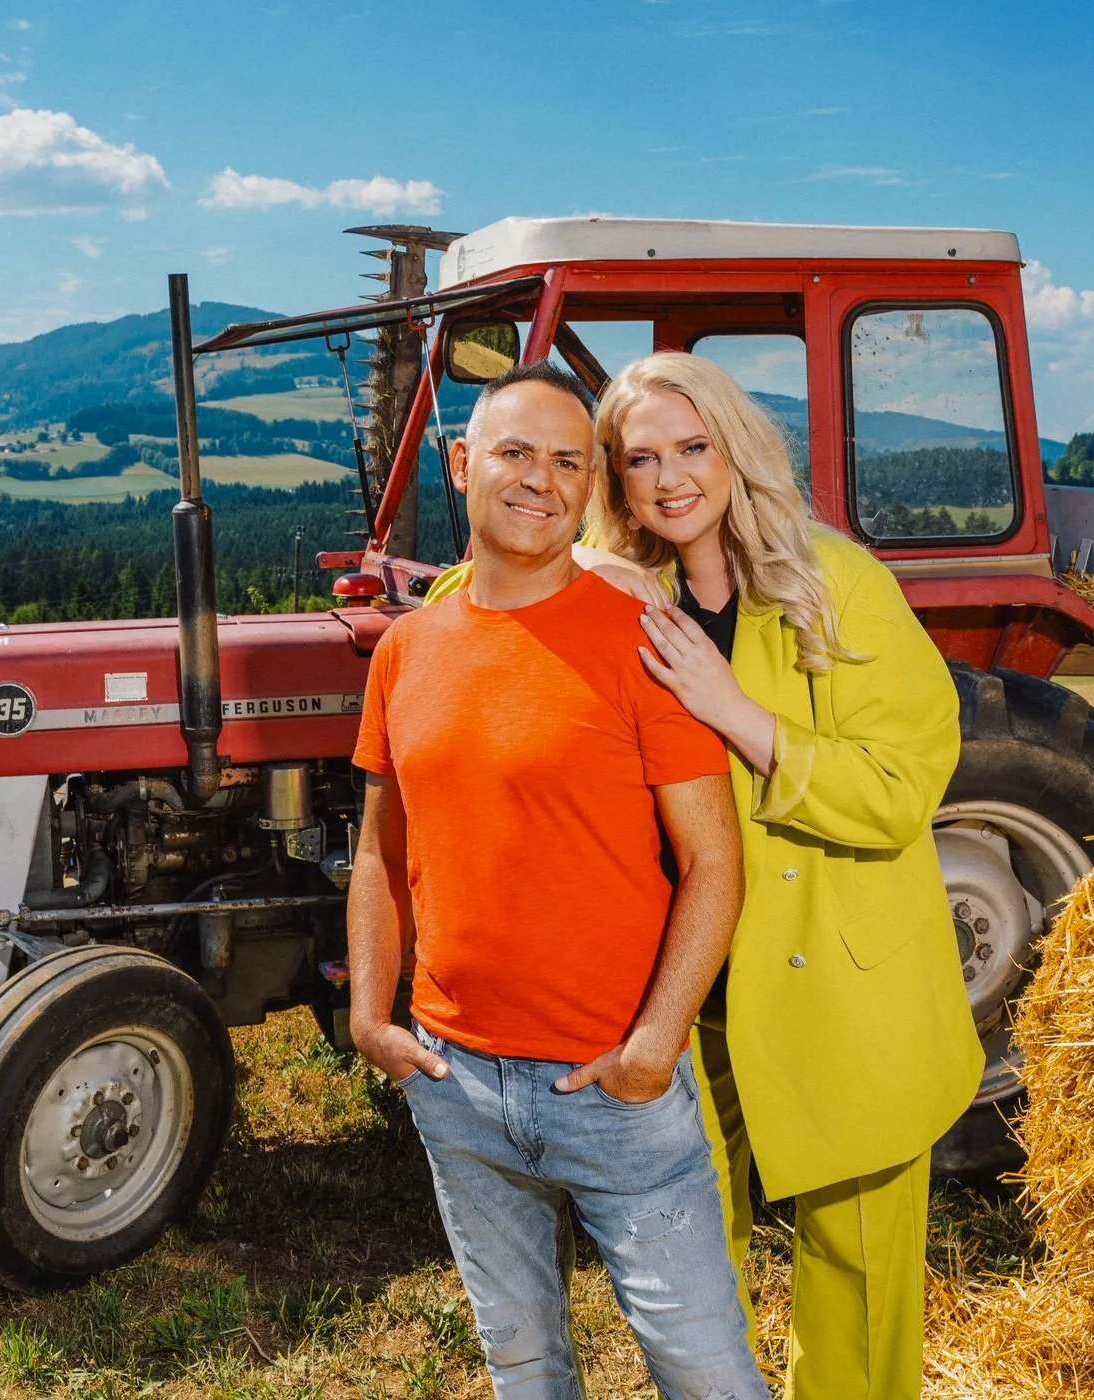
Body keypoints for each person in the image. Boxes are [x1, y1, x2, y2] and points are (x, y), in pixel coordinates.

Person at [347, 359, 771, 1400]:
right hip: (454, 1081)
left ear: (590, 488)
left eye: (568, 462)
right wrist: (368, 1018)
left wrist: (653, 1046)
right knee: (524, 1364)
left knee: (705, 1373)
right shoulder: (406, 650)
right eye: (514, 452)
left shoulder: (643, 643)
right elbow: (379, 853)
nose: (540, 478)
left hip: (614, 1087)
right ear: (462, 463)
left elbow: (714, 860)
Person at [563, 351, 982, 1400]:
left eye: (692, 447)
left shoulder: (834, 583)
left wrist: (734, 711)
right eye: (640, 459)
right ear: (615, 482)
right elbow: (462, 592)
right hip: (688, 987)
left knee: (857, 1278)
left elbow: (897, 788)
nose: (669, 479)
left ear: (736, 449)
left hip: (837, 984)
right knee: (695, 1272)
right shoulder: (620, 597)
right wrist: (578, 561)